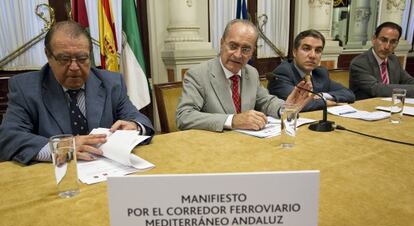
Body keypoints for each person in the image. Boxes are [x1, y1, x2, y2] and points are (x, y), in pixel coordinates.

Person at [0, 21, 154, 165]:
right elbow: (8, 138)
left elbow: (141, 120)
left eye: (82, 58)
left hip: (105, 172)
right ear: (48, 55)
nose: (74, 67)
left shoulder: (111, 83)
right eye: (64, 58)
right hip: (57, 177)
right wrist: (61, 147)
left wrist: (134, 126)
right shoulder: (26, 88)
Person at [176, 19, 312, 132]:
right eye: (233, 46)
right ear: (222, 43)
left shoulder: (251, 72)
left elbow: (266, 101)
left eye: (246, 49)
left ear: (253, 51)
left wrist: (286, 108)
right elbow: (184, 117)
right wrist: (233, 120)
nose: (237, 54)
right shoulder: (198, 74)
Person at [268, 29, 355, 112]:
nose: (313, 55)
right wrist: (329, 103)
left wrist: (322, 96)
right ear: (295, 52)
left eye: (318, 50)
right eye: (306, 49)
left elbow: (349, 94)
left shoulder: (320, 73)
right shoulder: (282, 73)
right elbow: (297, 103)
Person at [350, 22, 414, 100]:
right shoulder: (359, 63)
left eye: (393, 42)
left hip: (391, 106)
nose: (387, 47)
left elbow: (408, 80)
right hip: (366, 108)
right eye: (383, 40)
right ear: (374, 39)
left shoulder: (393, 59)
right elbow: (377, 89)